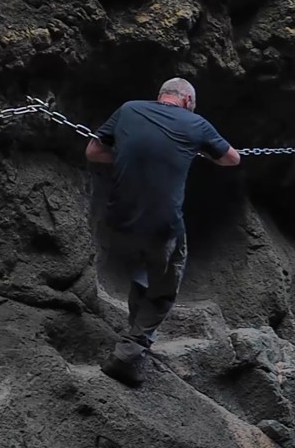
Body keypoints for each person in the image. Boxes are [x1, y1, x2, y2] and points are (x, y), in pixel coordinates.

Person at [86, 77, 240, 385]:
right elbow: (231, 159)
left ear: (160, 96)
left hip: (120, 219)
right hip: (162, 225)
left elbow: (93, 152)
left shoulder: (129, 109)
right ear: (186, 101)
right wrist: (190, 150)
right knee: (165, 283)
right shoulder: (195, 123)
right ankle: (130, 352)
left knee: (145, 269)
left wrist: (135, 153)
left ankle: (134, 329)